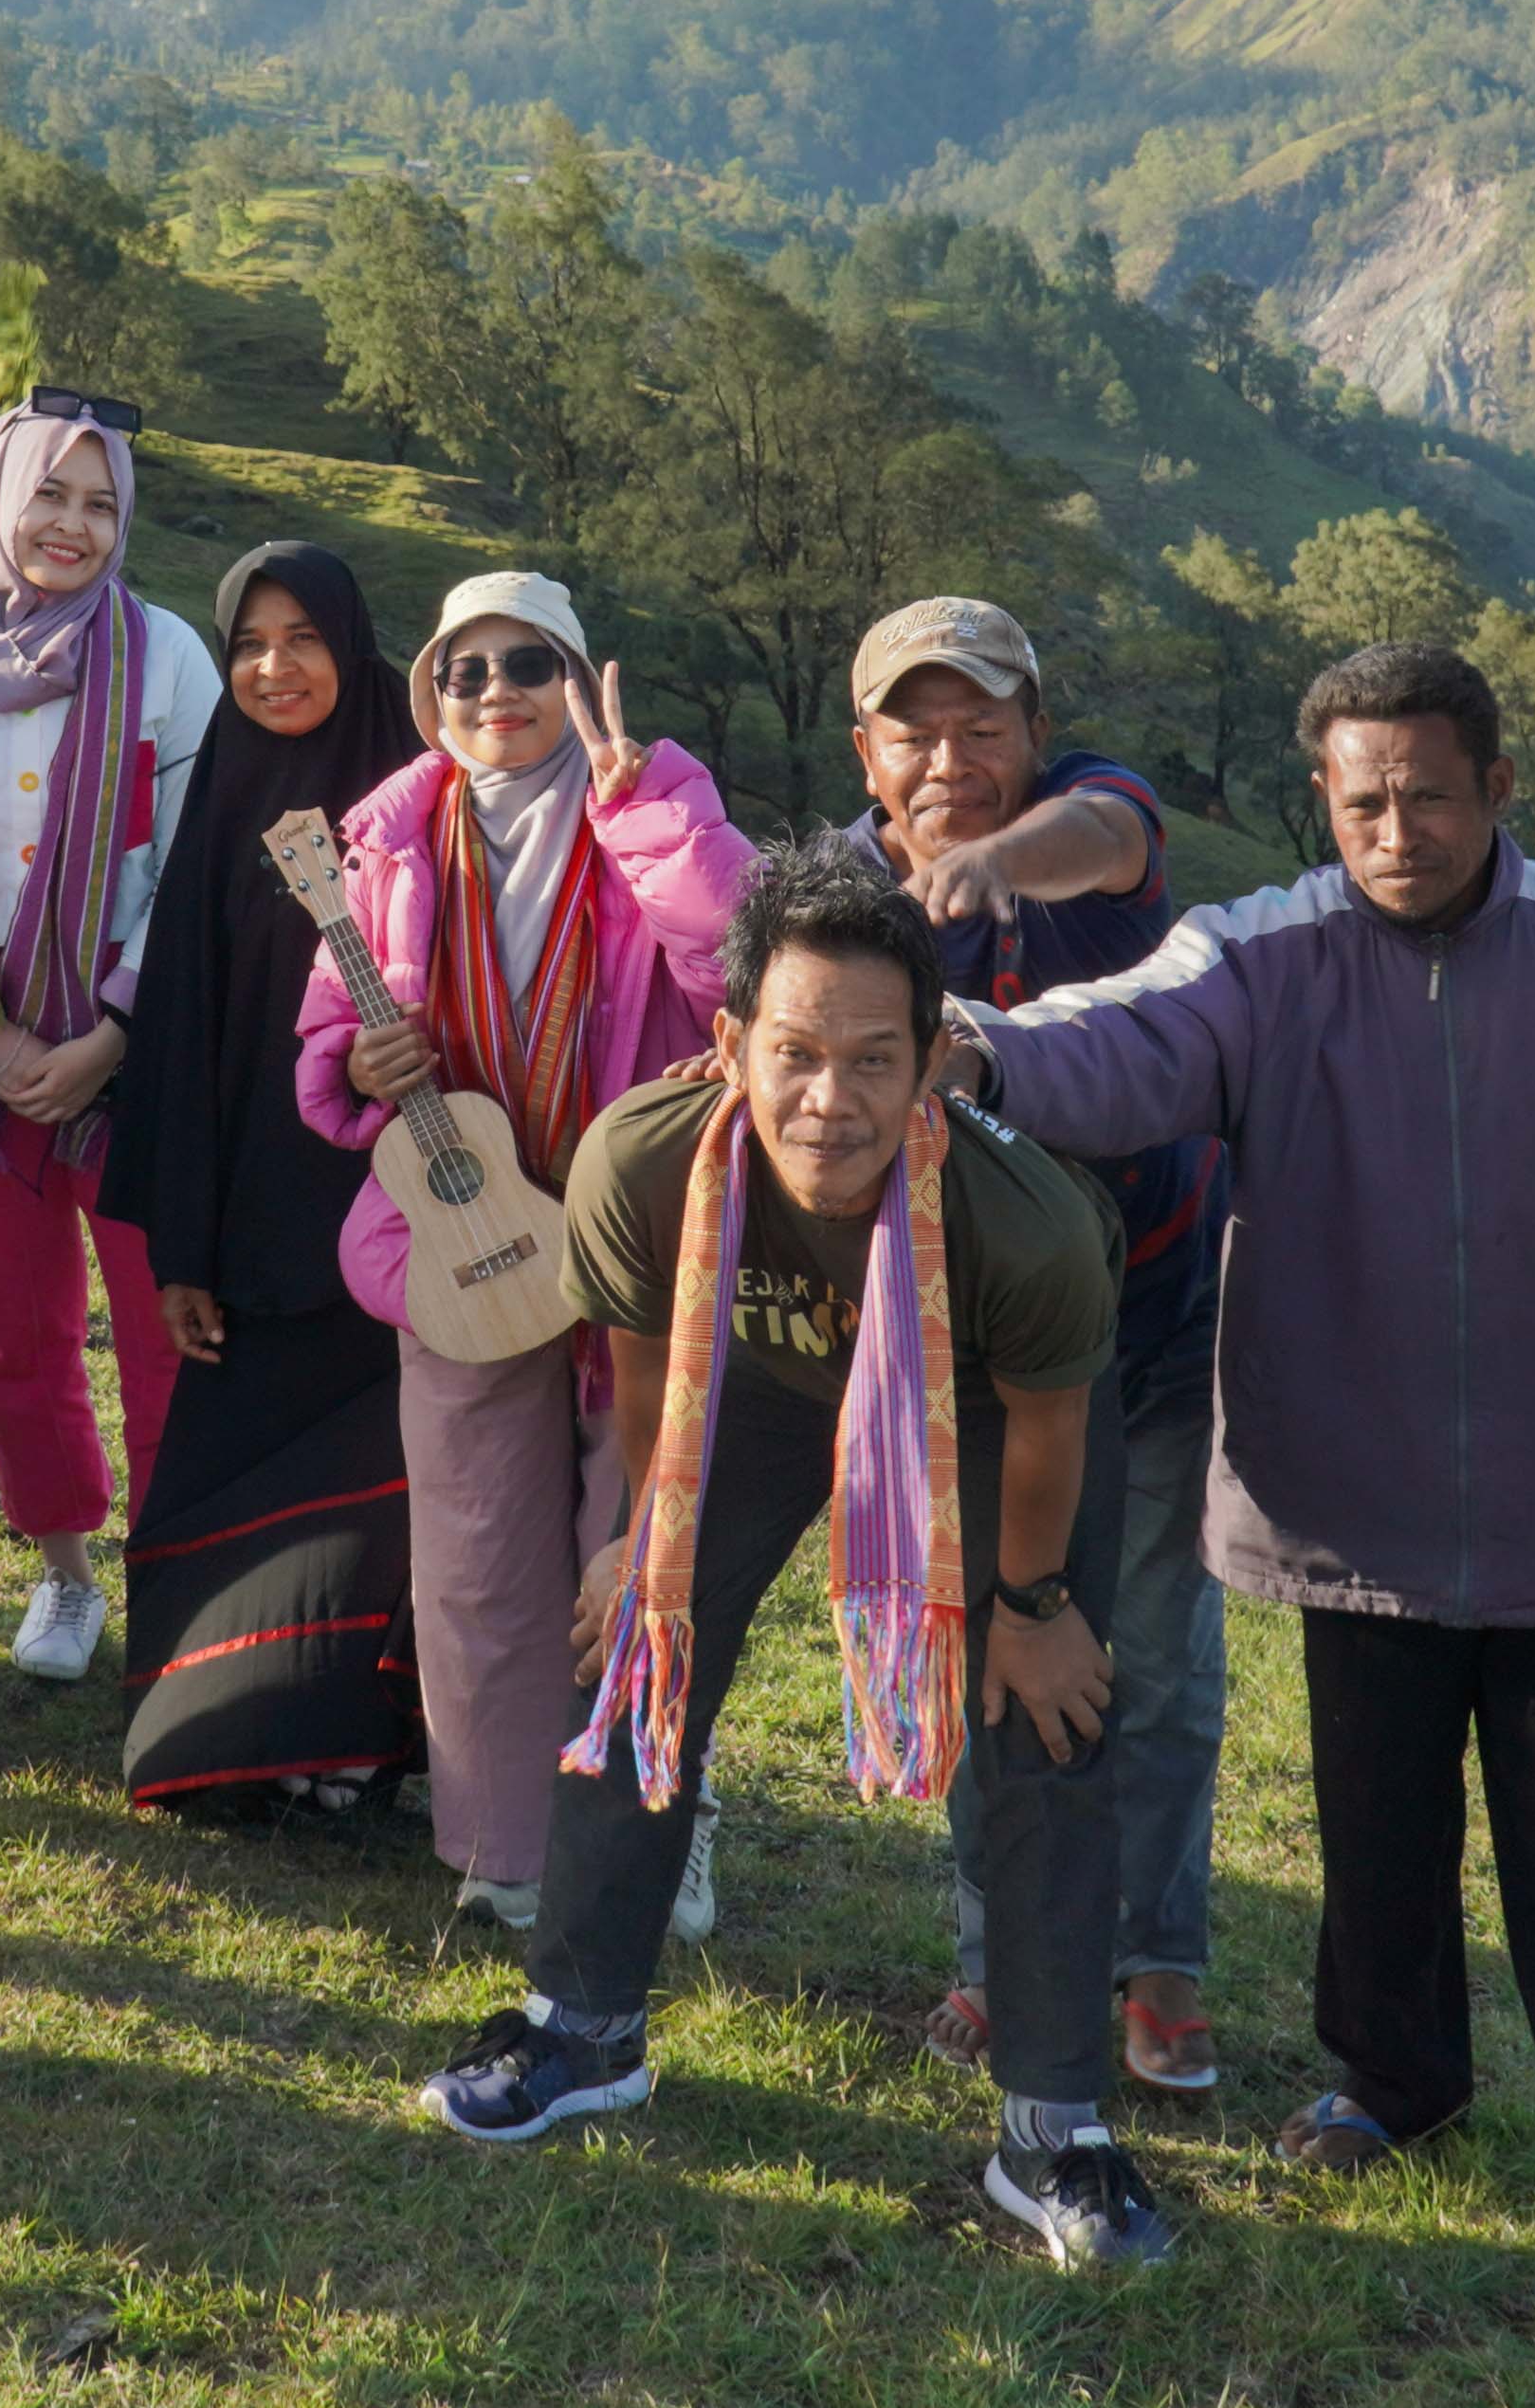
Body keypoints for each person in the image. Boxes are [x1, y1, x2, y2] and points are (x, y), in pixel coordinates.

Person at [962, 641, 1535, 2275]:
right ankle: (1396, 2084)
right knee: (1377, 1838)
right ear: (1325, 797)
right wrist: (974, 1047)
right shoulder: (1255, 957)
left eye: (1431, 795)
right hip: (1351, 1502)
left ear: (1497, 788)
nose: (1398, 828)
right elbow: (1121, 1042)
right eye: (1364, 798)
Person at [420, 841, 1177, 2273]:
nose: (830, 1100)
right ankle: (582, 2026)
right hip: (749, 1381)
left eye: (874, 1060)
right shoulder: (641, 1156)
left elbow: (1048, 1426)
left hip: (977, 1415)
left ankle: (1052, 2128)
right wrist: (641, 1527)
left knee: (1049, 1714)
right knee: (640, 1648)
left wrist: (1030, 1604)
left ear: (935, 1060)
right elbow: (644, 1368)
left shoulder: (1027, 1222)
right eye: (795, 1052)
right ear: (730, 1043)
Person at [294, 572, 751, 1929]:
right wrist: (358, 1055)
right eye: (469, 670)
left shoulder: (657, 806)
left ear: (576, 675)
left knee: (641, 1542)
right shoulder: (380, 839)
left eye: (529, 664)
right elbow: (327, 1030)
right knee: (479, 1552)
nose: (500, 693)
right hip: (463, 1242)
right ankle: (501, 1843)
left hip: (631, 1245)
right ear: (434, 691)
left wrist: (645, 806)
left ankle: (662, 1814)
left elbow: (737, 966)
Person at [837, 594, 1235, 2102]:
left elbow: (1116, 834)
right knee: (993, 1636)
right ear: (864, 747)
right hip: (967, 1338)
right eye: (915, 729)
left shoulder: (1094, 824)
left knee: (1161, 1659)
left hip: (1157, 1320)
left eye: (982, 724)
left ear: (1034, 726)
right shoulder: (834, 881)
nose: (950, 756)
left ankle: (1159, 1964)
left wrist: (987, 868)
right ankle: (997, 1955)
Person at [0, 392, 222, 1681]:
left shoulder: (171, 658)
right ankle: (66, 1573)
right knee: (19, 1323)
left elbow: (187, 875)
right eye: (49, 494)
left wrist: (111, 1033)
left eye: (101, 502)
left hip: (139, 1058)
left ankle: (177, 1578)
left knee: (157, 1322)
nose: (72, 525)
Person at [104, 540, 436, 1814]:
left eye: (303, 639)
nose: (272, 665)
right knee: (227, 1477)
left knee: (388, 1500)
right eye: (249, 641)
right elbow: (180, 1037)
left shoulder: (419, 807)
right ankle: (229, 1739)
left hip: (394, 1225)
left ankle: (364, 1749)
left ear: (354, 651)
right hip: (250, 1232)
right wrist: (182, 1247)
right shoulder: (229, 796)